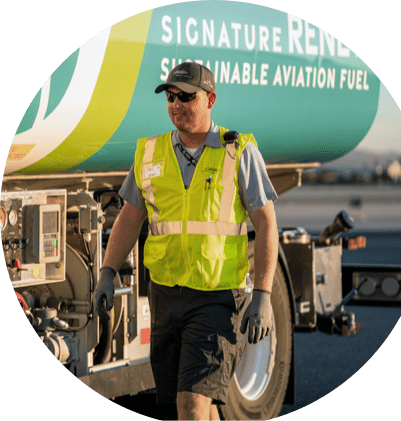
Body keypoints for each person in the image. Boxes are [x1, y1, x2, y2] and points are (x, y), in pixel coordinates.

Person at [94, 62, 279, 421]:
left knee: (192, 404)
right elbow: (130, 216)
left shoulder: (238, 152)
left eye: (186, 97)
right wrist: (106, 270)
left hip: (217, 296)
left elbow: (267, 224)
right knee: (196, 403)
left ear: (210, 99)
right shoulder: (150, 153)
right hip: (165, 295)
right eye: (170, 97)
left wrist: (263, 296)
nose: (176, 104)